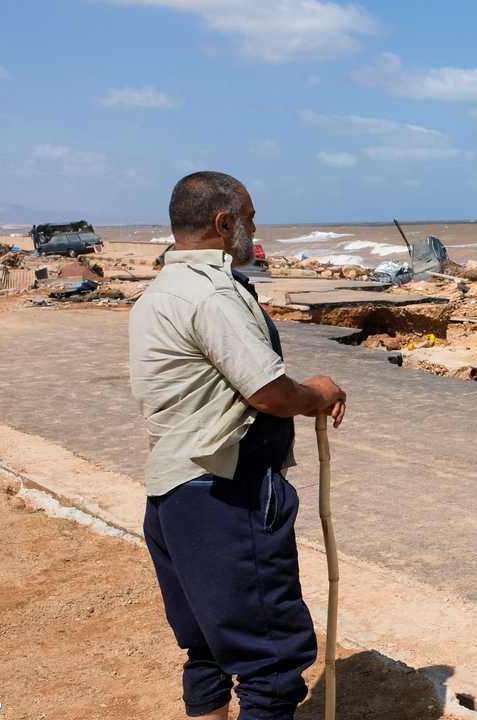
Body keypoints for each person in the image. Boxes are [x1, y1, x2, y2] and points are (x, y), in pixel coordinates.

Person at [129, 171, 346, 720]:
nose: (254, 228)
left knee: (207, 649)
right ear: (224, 224)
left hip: (173, 497)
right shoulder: (211, 295)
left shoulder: (161, 291)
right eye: (249, 217)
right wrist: (319, 391)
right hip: (228, 497)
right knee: (269, 664)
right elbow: (269, 393)